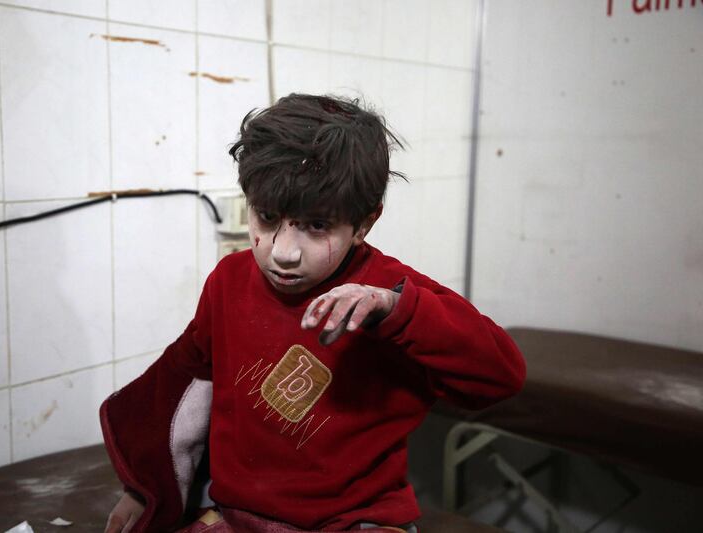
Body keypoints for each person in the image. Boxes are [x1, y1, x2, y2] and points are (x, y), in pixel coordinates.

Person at [101, 94, 526, 533]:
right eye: (266, 217)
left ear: (364, 223)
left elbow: (501, 375)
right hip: (238, 516)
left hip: (353, 521)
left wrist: (397, 310)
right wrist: (144, 485)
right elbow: (180, 383)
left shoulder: (388, 292)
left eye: (317, 225)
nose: (282, 252)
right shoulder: (228, 281)